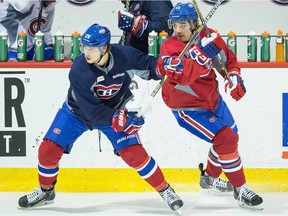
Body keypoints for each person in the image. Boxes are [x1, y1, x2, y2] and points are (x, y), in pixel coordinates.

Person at [17, 23, 184, 213]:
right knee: (48, 150)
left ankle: (165, 190)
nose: (87, 53)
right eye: (85, 47)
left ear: (105, 48)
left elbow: (149, 66)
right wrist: (124, 119)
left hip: (114, 110)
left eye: (93, 48)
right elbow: (92, 113)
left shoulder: (125, 56)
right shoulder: (79, 70)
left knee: (134, 154)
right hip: (76, 113)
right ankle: (46, 191)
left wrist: (165, 65)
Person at [156, 2, 263, 209]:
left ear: (194, 24)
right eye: (175, 25)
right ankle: (240, 189)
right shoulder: (169, 47)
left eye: (183, 25)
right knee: (226, 137)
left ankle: (209, 178)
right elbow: (184, 77)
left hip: (212, 98)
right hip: (186, 107)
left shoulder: (209, 36)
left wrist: (233, 78)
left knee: (231, 136)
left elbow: (228, 61)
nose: (177, 30)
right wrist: (200, 55)